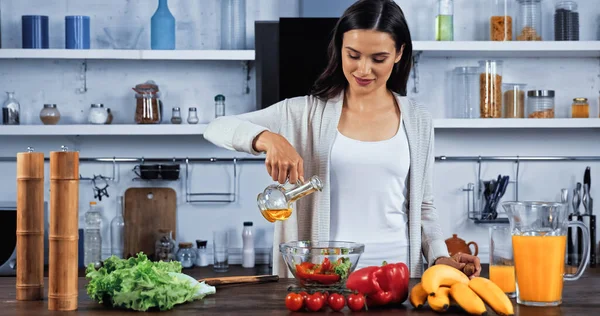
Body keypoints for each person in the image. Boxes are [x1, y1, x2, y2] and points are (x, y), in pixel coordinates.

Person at [204, 0, 481, 278]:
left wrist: (439, 257)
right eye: (353, 55)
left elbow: (424, 208)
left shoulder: (418, 119)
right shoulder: (304, 112)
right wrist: (268, 138)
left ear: (399, 53)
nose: (363, 69)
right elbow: (216, 127)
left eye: (378, 58)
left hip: (399, 276)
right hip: (325, 276)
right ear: (340, 50)